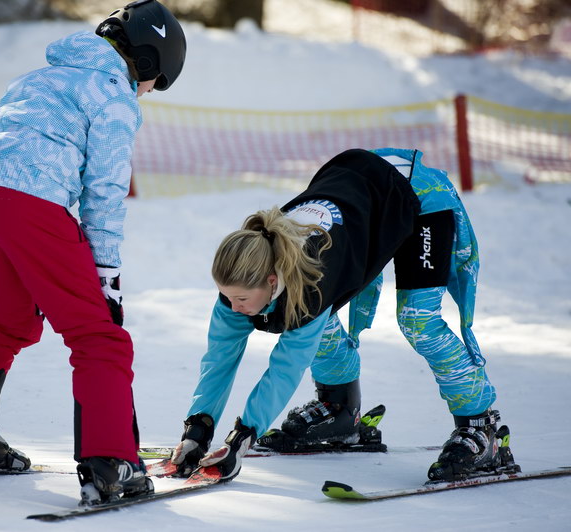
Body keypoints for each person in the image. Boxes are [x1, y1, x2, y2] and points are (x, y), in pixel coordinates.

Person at [0, 0, 186, 504]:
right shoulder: (114, 97)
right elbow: (104, 191)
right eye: (154, 82)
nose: (148, 93)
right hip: (31, 205)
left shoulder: (39, 77)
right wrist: (106, 275)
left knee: (11, 316)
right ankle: (111, 462)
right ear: (145, 61)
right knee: (100, 335)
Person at [169, 148, 517, 483]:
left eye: (240, 299)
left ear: (271, 281)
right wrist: (198, 430)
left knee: (418, 321)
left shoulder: (312, 285)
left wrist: (241, 438)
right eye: (226, 297)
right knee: (318, 317)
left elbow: (285, 368)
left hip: (415, 194)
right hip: (359, 185)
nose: (233, 307)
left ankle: (479, 425)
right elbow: (219, 360)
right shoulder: (241, 281)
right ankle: (339, 409)